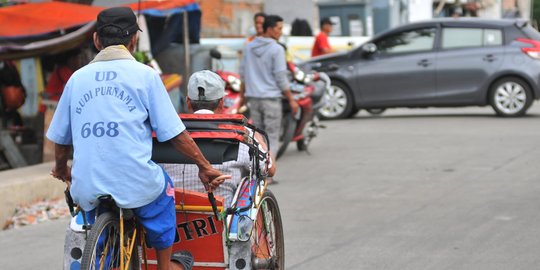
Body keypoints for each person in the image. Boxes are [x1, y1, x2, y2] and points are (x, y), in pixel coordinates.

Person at [46, 7, 230, 270]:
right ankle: (164, 266)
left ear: (97, 40)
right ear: (133, 40)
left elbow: (61, 140)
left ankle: (102, 254)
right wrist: (205, 166)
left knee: (89, 212)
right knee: (164, 194)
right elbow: (175, 134)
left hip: (87, 184)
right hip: (136, 184)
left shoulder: (76, 79)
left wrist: (62, 168)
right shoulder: (145, 76)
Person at [162, 70, 276, 207]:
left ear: (188, 101)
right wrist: (259, 139)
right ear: (222, 102)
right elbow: (269, 169)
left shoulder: (168, 133)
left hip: (174, 216)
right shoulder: (240, 133)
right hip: (224, 216)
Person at [239, 14, 299, 163]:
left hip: (254, 99)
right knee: (272, 136)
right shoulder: (276, 49)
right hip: (271, 99)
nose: (280, 32)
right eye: (279, 28)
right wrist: (291, 99)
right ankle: (268, 173)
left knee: (258, 137)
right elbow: (280, 77)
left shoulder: (249, 47)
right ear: (270, 29)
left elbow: (243, 74)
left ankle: (259, 171)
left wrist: (242, 98)